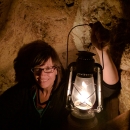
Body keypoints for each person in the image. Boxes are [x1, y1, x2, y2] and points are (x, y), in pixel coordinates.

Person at [0, 22, 120, 130]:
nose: (42, 74)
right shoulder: (23, 92)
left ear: (56, 70)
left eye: (48, 68)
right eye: (38, 69)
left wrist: (102, 50)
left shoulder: (66, 88)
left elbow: (110, 87)